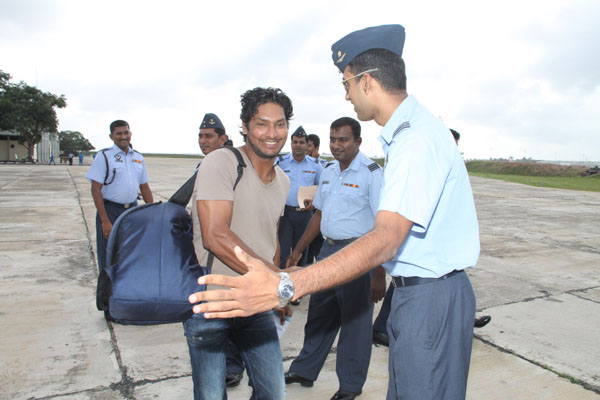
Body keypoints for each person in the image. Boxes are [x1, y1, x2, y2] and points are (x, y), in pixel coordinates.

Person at [188, 24, 481, 400]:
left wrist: (287, 285)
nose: (346, 96)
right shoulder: (414, 133)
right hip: (422, 295)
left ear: (367, 82)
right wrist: (289, 272)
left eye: (347, 84)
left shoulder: (415, 140)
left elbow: (386, 239)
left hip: (430, 299)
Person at [183, 87, 293, 400]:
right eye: (262, 124)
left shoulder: (284, 180)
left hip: (255, 302)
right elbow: (215, 235)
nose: (272, 133)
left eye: (279, 124)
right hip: (212, 300)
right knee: (211, 393)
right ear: (244, 126)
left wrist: (275, 293)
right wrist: (277, 280)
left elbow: (271, 237)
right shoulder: (222, 162)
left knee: (273, 392)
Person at [283, 116, 385, 400]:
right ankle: (305, 370)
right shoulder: (328, 170)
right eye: (332, 139)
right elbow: (320, 213)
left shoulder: (372, 174)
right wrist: (299, 249)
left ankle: (350, 385)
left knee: (355, 324)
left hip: (359, 254)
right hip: (327, 252)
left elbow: (383, 225)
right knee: (319, 315)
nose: (337, 145)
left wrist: (379, 271)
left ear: (358, 142)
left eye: (343, 140)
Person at [195, 111, 246, 388]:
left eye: (209, 136)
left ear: (223, 138)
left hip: (225, 256)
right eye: (201, 136)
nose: (203, 141)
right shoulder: (204, 166)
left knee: (231, 316)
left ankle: (233, 367)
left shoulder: (231, 167)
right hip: (204, 258)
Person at [85, 120, 154, 273]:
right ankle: (107, 286)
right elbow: (95, 189)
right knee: (108, 255)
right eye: (119, 133)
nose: (123, 136)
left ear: (130, 134)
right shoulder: (104, 156)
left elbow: (144, 187)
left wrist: (153, 212)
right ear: (111, 136)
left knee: (130, 254)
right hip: (110, 211)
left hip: (132, 212)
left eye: (126, 132)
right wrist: (104, 220)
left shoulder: (138, 158)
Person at [276, 127, 323, 270]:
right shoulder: (281, 162)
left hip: (305, 214)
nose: (298, 145)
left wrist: (315, 203)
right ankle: (282, 278)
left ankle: (299, 281)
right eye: (295, 142)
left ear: (306, 144)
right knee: (283, 251)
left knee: (302, 251)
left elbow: (322, 188)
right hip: (285, 214)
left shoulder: (315, 165)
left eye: (301, 142)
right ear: (290, 143)